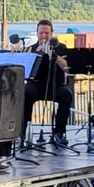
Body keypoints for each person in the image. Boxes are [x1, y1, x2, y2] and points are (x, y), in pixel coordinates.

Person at [23, 19, 73, 147]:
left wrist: (53, 55)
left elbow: (66, 66)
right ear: (37, 34)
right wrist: (38, 53)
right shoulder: (31, 48)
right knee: (25, 92)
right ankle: (24, 131)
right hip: (37, 84)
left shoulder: (61, 47)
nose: (44, 36)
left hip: (56, 84)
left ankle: (59, 132)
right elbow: (26, 69)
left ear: (52, 33)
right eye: (41, 33)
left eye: (46, 33)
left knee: (66, 94)